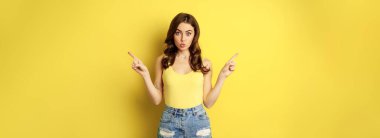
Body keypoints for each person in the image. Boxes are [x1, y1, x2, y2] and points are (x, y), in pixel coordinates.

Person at [128, 12, 237, 138]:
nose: (183, 39)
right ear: (172, 34)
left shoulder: (203, 63)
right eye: (178, 32)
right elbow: (157, 99)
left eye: (188, 33)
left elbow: (208, 102)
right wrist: (145, 75)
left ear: (194, 35)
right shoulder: (162, 61)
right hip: (169, 123)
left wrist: (222, 76)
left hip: (198, 122)